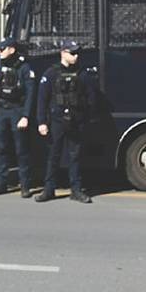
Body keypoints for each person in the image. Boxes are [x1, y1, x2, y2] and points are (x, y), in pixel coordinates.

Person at [34, 39, 96, 204]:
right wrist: (41, 122)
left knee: (75, 157)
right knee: (53, 156)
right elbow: (42, 100)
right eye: (72, 53)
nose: (76, 56)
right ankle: (49, 190)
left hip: (76, 121)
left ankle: (76, 190)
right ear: (63, 53)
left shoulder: (83, 74)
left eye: (77, 53)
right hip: (57, 121)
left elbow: (91, 99)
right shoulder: (51, 73)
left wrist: (85, 119)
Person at [0, 37, 36, 198]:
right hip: (1, 111)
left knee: (21, 150)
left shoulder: (23, 67)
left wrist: (25, 116)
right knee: (1, 149)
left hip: (17, 111)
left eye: (3, 49)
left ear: (12, 50)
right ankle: (1, 184)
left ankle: (25, 185)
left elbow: (30, 94)